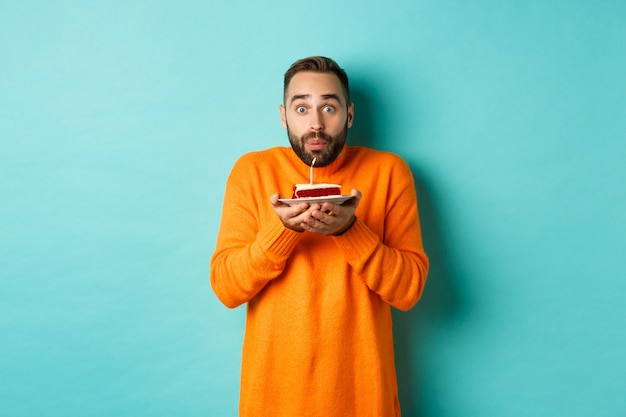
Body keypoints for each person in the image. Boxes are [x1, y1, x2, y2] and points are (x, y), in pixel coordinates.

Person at [210, 56, 429, 417]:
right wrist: (282, 231)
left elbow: (409, 291)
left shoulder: (390, 173)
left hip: (364, 400)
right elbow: (226, 288)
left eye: (329, 106)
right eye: (301, 108)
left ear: (350, 114)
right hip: (272, 402)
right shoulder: (251, 173)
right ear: (283, 116)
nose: (315, 124)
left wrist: (350, 231)